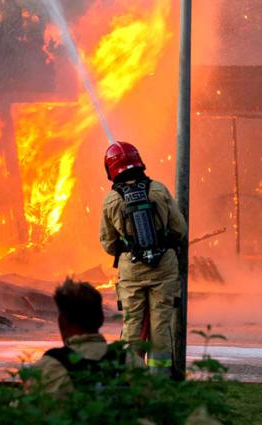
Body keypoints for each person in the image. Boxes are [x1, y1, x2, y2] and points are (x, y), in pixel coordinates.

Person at [99, 141, 186, 376]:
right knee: (160, 326)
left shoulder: (111, 200)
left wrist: (128, 247)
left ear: (111, 168)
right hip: (164, 267)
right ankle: (160, 379)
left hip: (132, 270)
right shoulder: (158, 189)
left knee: (132, 324)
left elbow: (108, 243)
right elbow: (180, 230)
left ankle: (130, 377)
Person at [31, 279, 113, 396]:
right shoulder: (131, 363)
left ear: (62, 321)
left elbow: (20, 411)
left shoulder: (49, 368)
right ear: (101, 319)